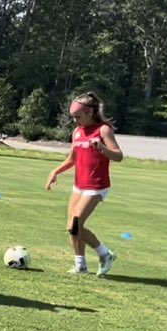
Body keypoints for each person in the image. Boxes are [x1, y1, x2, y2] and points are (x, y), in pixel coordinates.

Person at [45, 91, 123, 276]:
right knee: (71, 227)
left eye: (78, 116)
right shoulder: (77, 131)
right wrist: (55, 171)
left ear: (90, 113)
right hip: (79, 185)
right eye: (73, 117)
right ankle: (80, 265)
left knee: (76, 224)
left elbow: (119, 156)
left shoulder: (103, 130)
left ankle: (104, 254)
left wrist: (102, 148)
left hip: (97, 185)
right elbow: (72, 159)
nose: (75, 121)